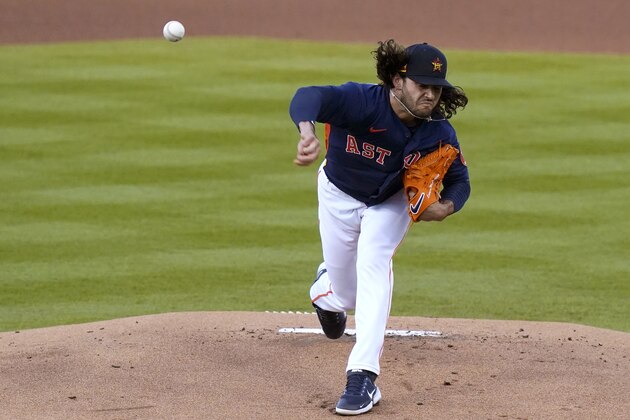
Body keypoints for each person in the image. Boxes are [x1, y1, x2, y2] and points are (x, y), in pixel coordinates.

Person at [289, 39, 470, 416]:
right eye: (422, 85)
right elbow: (308, 96)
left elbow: (460, 180)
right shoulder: (361, 102)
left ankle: (362, 377)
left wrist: (447, 207)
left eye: (436, 88)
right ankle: (325, 290)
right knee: (346, 295)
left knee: (374, 263)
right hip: (337, 194)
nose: (430, 95)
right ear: (396, 80)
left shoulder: (438, 133)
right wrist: (306, 131)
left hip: (390, 204)